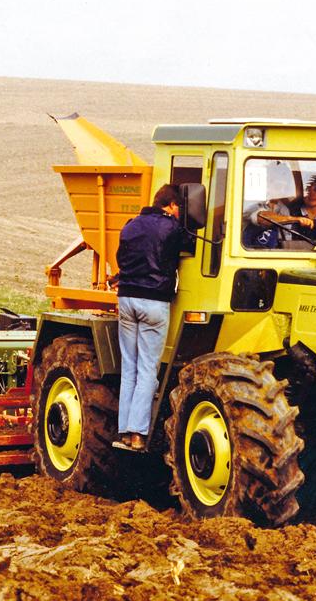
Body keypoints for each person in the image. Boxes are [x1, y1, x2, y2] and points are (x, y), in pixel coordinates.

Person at [114, 184, 189, 451]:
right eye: (178, 208)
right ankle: (137, 434)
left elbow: (120, 258)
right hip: (154, 302)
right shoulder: (171, 228)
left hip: (126, 299)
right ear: (170, 205)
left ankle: (123, 430)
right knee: (147, 370)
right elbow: (190, 247)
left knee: (130, 368)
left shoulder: (130, 225)